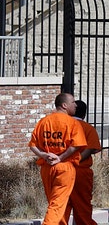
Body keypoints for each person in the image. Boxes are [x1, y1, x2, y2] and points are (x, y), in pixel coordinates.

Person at [28, 93, 87, 225]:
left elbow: (33, 145)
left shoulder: (44, 121)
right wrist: (60, 158)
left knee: (55, 204)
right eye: (73, 102)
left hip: (47, 168)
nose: (76, 105)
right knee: (57, 205)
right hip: (64, 168)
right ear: (64, 105)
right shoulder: (72, 123)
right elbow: (76, 145)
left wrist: (44, 155)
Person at [64, 100, 102, 225]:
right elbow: (91, 148)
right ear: (84, 114)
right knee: (82, 206)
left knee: (61, 205)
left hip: (61, 169)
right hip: (81, 171)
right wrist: (75, 160)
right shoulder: (88, 128)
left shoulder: (63, 125)